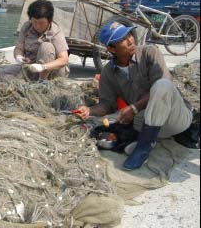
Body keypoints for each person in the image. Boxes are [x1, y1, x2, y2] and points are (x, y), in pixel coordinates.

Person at [74, 21, 193, 170]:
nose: (130, 40)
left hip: (175, 119)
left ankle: (143, 147)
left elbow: (165, 87)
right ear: (111, 48)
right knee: (109, 123)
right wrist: (89, 111)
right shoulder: (108, 72)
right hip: (146, 124)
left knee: (162, 85)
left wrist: (134, 108)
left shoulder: (150, 53)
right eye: (123, 39)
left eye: (129, 34)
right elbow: (106, 105)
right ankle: (146, 140)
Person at [0, 0, 69, 81]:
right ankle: (27, 84)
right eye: (34, 22)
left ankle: (42, 82)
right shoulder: (26, 27)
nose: (37, 26)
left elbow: (64, 59)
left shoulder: (55, 31)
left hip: (52, 72)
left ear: (49, 20)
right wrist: (19, 57)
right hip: (31, 69)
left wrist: (43, 67)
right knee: (4, 73)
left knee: (46, 46)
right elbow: (19, 48)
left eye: (41, 23)